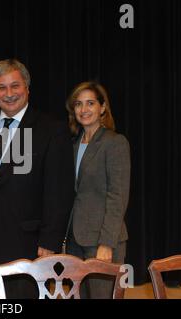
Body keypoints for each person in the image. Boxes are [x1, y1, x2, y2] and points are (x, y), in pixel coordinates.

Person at [0, 59, 75, 298]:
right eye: (1, 87)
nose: (9, 94)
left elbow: (60, 191)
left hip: (28, 247)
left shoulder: (52, 130)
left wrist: (50, 241)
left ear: (27, 87)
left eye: (15, 86)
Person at [65, 81, 130, 299]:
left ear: (102, 108)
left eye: (90, 103)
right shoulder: (72, 145)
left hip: (103, 241)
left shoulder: (115, 143)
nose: (84, 110)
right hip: (75, 240)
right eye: (78, 104)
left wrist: (107, 243)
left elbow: (117, 196)